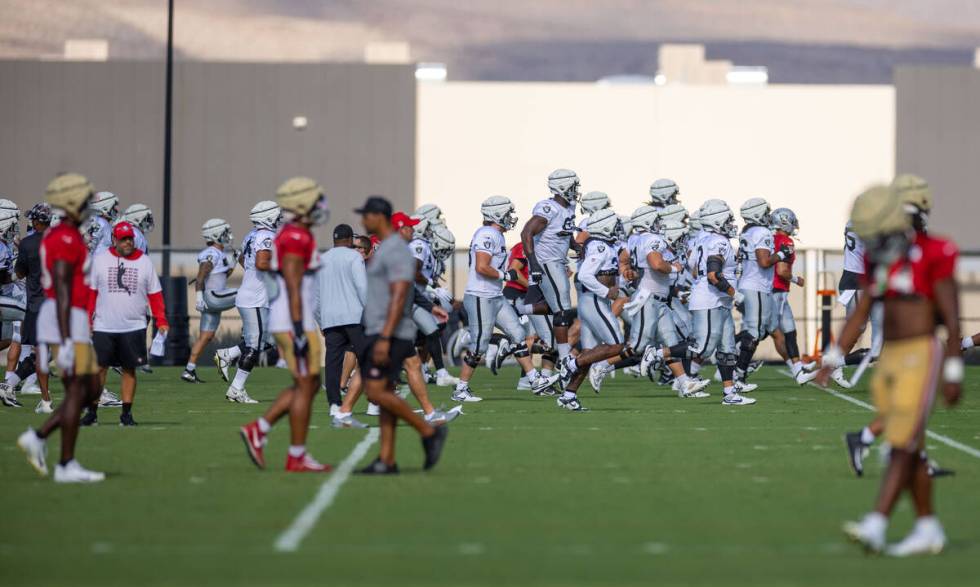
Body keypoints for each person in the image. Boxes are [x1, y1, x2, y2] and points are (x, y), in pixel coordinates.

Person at [817, 184, 961, 557]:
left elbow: (952, 317)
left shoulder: (935, 251)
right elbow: (862, 312)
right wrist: (832, 359)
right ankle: (928, 528)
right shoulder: (880, 258)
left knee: (900, 444)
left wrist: (954, 370)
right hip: (891, 357)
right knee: (911, 448)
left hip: (921, 354)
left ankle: (876, 524)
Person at [16, 173, 105, 483]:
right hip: (66, 318)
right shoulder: (65, 237)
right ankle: (66, 463)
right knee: (79, 390)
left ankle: (39, 438)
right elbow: (64, 287)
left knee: (90, 389)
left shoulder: (67, 233)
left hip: (69, 316)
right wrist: (67, 338)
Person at [240, 177, 333, 472]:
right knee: (306, 384)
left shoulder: (296, 233)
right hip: (294, 322)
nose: (321, 205)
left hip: (294, 319)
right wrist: (298, 327)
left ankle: (268, 434)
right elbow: (292, 283)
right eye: (315, 199)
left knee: (309, 383)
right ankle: (292, 452)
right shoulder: (294, 236)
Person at [354, 195, 448, 474]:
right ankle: (387, 459)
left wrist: (384, 337)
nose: (363, 219)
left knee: (375, 391)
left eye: (367, 215)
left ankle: (427, 431)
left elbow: (398, 294)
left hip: (388, 330)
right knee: (383, 391)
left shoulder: (394, 249)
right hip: (383, 327)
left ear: (379, 218)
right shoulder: (387, 248)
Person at [453, 196, 559, 402]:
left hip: (495, 295)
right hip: (480, 296)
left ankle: (534, 380)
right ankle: (460, 389)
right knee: (478, 347)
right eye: (508, 213)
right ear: (497, 213)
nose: (511, 217)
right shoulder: (487, 234)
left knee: (518, 333)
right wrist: (505, 275)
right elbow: (481, 267)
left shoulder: (496, 235)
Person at [85, 221, 169, 426]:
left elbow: (155, 295)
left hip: (134, 326)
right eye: (123, 239)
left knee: (129, 370)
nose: (128, 242)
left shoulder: (145, 262)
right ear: (114, 240)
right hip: (104, 325)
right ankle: (92, 414)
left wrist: (162, 320)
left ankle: (126, 414)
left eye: (130, 238)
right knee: (99, 370)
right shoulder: (100, 261)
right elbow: (91, 294)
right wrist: (87, 319)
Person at [686, 199, 754, 406]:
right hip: (710, 300)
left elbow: (695, 269)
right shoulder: (719, 242)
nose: (730, 223)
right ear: (716, 221)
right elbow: (713, 276)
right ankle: (658, 353)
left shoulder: (703, 239)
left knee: (727, 348)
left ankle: (730, 393)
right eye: (726, 219)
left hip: (716, 301)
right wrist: (733, 293)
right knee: (704, 347)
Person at [215, 200, 281, 403]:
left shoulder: (252, 235)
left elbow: (245, 261)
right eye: (277, 216)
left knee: (270, 340)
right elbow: (262, 263)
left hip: (252, 294)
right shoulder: (267, 236)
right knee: (255, 346)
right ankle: (236, 389)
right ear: (268, 217)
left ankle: (228, 353)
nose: (279, 220)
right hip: (255, 298)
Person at [518, 169, 579, 363]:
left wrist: (576, 246)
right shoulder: (548, 208)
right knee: (562, 310)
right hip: (547, 262)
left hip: (558, 261)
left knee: (558, 307)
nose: (576, 189)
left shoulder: (568, 207)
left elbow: (565, 231)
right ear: (562, 187)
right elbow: (526, 232)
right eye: (572, 186)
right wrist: (534, 264)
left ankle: (521, 309)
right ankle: (564, 356)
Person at [3, 204, 54, 412]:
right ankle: (44, 399)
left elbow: (20, 273)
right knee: (43, 353)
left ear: (36, 221)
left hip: (36, 305)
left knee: (41, 353)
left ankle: (10, 385)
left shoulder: (28, 243)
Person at [733, 198, 788, 390]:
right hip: (755, 286)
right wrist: (781, 255)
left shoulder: (748, 231)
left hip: (751, 285)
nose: (768, 216)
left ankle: (736, 369)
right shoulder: (762, 232)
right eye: (765, 212)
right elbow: (764, 261)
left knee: (760, 329)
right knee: (755, 332)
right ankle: (738, 376)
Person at [316, 223, 367, 417]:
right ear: (350, 240)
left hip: (330, 318)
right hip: (354, 316)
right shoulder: (354, 256)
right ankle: (374, 401)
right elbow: (362, 287)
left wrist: (320, 320)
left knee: (333, 362)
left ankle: (334, 404)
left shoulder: (322, 259)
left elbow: (315, 296)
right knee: (367, 359)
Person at [182, 218, 235, 383]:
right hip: (212, 297)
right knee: (246, 294)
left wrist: (234, 261)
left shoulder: (219, 254)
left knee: (206, 336)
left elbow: (222, 276)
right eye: (225, 233)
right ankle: (250, 336)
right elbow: (200, 277)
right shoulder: (211, 253)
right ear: (216, 234)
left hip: (213, 298)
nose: (228, 236)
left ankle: (189, 370)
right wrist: (198, 297)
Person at [766, 208, 816, 385]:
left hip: (775, 291)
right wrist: (796, 279)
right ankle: (733, 369)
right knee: (762, 332)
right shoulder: (785, 240)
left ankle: (797, 370)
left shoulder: (770, 238)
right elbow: (781, 271)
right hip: (776, 291)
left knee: (789, 331)